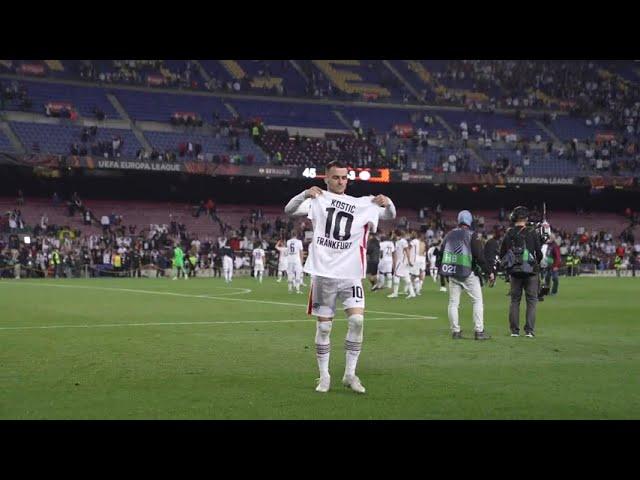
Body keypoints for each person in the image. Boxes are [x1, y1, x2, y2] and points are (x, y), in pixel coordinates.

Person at [284, 159, 396, 394]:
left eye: (344, 177)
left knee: (357, 321)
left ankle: (349, 374)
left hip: (351, 274)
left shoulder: (361, 204)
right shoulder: (318, 200)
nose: (341, 181)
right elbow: (289, 210)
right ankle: (324, 376)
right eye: (336, 177)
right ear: (326, 178)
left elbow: (389, 215)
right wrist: (305, 193)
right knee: (324, 329)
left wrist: (389, 201)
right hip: (324, 274)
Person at [440, 210, 493, 340]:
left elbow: (441, 252)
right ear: (469, 221)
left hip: (452, 272)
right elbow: (479, 256)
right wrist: (489, 272)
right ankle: (479, 331)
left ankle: (455, 331)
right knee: (477, 301)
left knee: (453, 303)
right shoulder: (473, 235)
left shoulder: (449, 234)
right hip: (469, 273)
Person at [499, 206, 544, 337]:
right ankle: (529, 331)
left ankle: (514, 331)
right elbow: (539, 253)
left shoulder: (509, 233)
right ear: (526, 218)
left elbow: (502, 253)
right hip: (531, 270)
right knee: (531, 301)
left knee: (514, 300)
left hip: (515, 271)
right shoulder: (532, 232)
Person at [388, 230, 416, 299]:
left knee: (396, 275)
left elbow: (407, 251)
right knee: (406, 277)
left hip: (401, 262)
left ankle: (395, 293)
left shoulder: (403, 241)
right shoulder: (397, 242)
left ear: (396, 234)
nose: (393, 234)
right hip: (401, 261)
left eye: (394, 233)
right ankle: (412, 293)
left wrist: (409, 260)